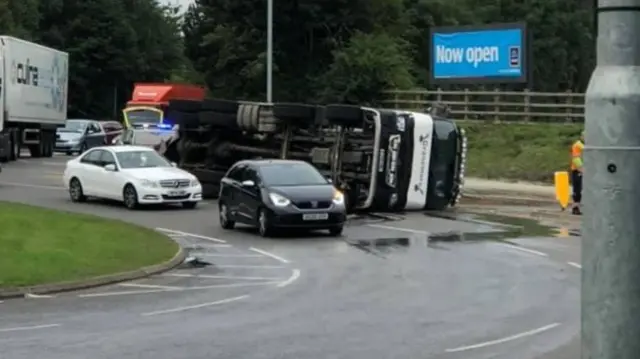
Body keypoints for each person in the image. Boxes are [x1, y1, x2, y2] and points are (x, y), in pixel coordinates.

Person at [570, 131, 584, 215]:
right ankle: (575, 207)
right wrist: (581, 170)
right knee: (577, 190)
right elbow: (575, 159)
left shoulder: (583, 146)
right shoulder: (577, 145)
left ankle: (576, 207)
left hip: (582, 169)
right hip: (577, 170)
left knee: (579, 190)